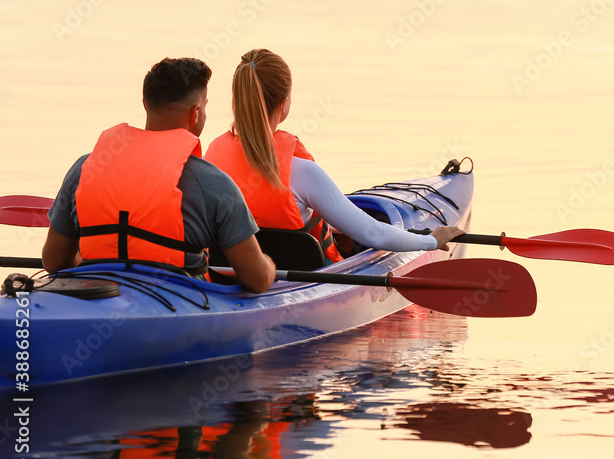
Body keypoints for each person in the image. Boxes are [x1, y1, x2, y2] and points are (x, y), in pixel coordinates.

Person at [204, 48, 464, 261]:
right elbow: (373, 234)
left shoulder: (211, 160)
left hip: (224, 278)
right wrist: (431, 240)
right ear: (284, 104)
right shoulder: (302, 173)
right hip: (299, 281)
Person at [42, 57, 276, 293]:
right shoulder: (214, 183)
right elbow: (256, 280)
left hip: (94, 296)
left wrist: (88, 274)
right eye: (205, 106)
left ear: (145, 103)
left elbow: (53, 261)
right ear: (196, 113)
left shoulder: (84, 168)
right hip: (177, 306)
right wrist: (269, 267)